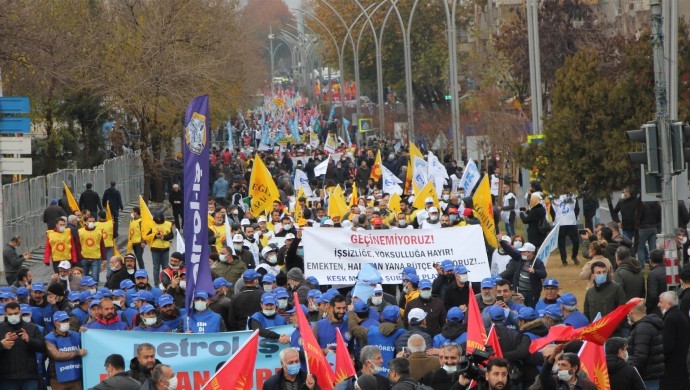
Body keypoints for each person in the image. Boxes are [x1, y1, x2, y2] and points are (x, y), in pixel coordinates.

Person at [0, 301, 47, 388]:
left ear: (20, 312)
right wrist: (2, 344)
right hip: (7, 377)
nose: (13, 316)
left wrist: (29, 340)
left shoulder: (32, 327)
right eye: (10, 314)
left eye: (16, 313)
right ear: (5, 314)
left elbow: (43, 347)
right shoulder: (1, 329)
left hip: (29, 376)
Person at [348, 305, 405, 375]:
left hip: (372, 376)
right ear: (398, 320)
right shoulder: (402, 334)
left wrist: (350, 312)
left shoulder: (370, 331)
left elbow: (353, 328)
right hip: (392, 377)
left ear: (381, 318)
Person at [45, 311, 87, 389]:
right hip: (58, 379)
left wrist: (85, 332)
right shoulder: (49, 338)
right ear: (55, 322)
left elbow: (87, 344)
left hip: (76, 377)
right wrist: (77, 353)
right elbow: (56, 355)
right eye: (62, 321)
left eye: (67, 320)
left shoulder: (76, 335)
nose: (65, 323)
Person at [627, 302, 664, 389]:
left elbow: (640, 356)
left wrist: (633, 374)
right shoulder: (648, 324)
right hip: (651, 374)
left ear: (631, 312)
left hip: (645, 376)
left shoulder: (642, 328)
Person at [499, 242, 546, 308]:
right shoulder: (521, 259)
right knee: (520, 308)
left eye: (524, 252)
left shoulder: (538, 262)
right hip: (520, 291)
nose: (522, 253)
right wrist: (502, 242)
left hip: (531, 293)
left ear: (530, 252)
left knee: (530, 308)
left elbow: (543, 274)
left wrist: (535, 271)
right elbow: (511, 251)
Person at [658, 291, 690, 389]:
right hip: (681, 364)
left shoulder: (670, 319)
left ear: (669, 304)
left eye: (661, 302)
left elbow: (667, 346)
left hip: (671, 368)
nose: (658, 304)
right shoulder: (680, 315)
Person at [143, 211, 173, 287]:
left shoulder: (168, 224)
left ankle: (165, 283)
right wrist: (155, 236)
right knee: (156, 267)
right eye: (157, 218)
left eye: (160, 218)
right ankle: (156, 284)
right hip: (155, 249)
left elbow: (171, 235)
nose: (159, 219)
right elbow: (146, 236)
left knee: (165, 267)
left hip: (165, 249)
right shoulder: (151, 225)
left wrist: (164, 237)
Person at [550, 194, 580, 266]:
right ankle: (564, 260)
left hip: (571, 223)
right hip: (560, 223)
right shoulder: (554, 197)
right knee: (561, 243)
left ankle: (574, 256)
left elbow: (577, 208)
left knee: (576, 241)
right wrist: (555, 219)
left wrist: (573, 217)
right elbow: (552, 211)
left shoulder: (573, 196)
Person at [78, 214, 106, 282]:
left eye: (93, 221)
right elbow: (78, 245)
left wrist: (104, 258)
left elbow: (102, 244)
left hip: (96, 258)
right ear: (86, 222)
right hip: (84, 257)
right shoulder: (80, 231)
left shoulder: (99, 231)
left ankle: (95, 290)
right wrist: (79, 256)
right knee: (84, 277)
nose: (92, 223)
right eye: (90, 221)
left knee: (95, 276)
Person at [646, 249, 667, 315]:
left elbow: (652, 295)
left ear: (651, 260)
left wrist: (648, 308)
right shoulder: (668, 271)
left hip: (656, 309)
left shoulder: (653, 274)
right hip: (668, 305)